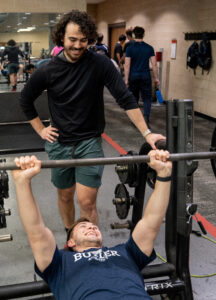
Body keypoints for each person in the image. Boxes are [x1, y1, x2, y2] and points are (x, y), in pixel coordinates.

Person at [19, 10, 165, 232]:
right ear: (61, 38)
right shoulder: (48, 70)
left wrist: (147, 133)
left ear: (89, 39)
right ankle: (71, 236)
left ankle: (90, 247)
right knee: (66, 197)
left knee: (86, 202)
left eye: (83, 40)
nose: (78, 45)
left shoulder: (100, 64)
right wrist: (41, 130)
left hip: (89, 142)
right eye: (72, 40)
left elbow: (125, 98)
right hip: (59, 144)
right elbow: (25, 100)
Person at [12, 149, 172, 300]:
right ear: (70, 242)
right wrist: (22, 183)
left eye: (94, 227)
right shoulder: (59, 264)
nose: (91, 227)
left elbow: (152, 221)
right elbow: (36, 232)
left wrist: (164, 174)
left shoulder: (127, 252)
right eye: (83, 227)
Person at [124, 26, 160, 126]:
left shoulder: (130, 48)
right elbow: (154, 64)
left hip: (133, 76)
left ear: (134, 35)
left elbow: (127, 65)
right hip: (145, 76)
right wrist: (157, 78)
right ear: (143, 35)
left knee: (134, 98)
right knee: (147, 98)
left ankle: (135, 119)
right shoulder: (149, 48)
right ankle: (146, 118)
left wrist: (126, 79)